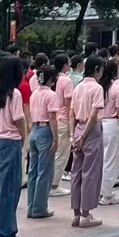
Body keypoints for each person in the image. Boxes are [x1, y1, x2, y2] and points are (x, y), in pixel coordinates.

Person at [0, 56, 28, 237]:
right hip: (10, 142)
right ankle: (4, 233)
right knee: (9, 190)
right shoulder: (15, 94)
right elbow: (18, 119)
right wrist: (23, 136)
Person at [67, 55, 104, 229]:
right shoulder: (96, 88)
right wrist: (83, 136)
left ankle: (76, 213)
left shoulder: (78, 87)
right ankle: (86, 214)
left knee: (76, 172)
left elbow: (71, 112)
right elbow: (94, 115)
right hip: (91, 130)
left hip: (78, 128)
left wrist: (73, 135)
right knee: (90, 173)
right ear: (96, 69)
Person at [25, 66, 58, 219]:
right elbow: (52, 117)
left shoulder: (34, 94)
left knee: (33, 171)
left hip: (35, 130)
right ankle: (40, 208)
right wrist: (56, 138)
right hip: (45, 131)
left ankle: (31, 206)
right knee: (44, 172)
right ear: (52, 79)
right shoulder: (51, 95)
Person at [96, 58, 119, 206]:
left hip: (99, 123)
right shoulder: (117, 87)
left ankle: (100, 190)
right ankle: (107, 194)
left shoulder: (99, 86)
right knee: (110, 159)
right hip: (112, 123)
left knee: (100, 159)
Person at [50, 54, 73, 195]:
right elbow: (68, 103)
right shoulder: (66, 81)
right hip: (63, 119)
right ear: (65, 64)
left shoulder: (52, 78)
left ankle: (50, 182)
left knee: (54, 153)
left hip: (52, 118)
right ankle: (54, 185)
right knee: (62, 153)